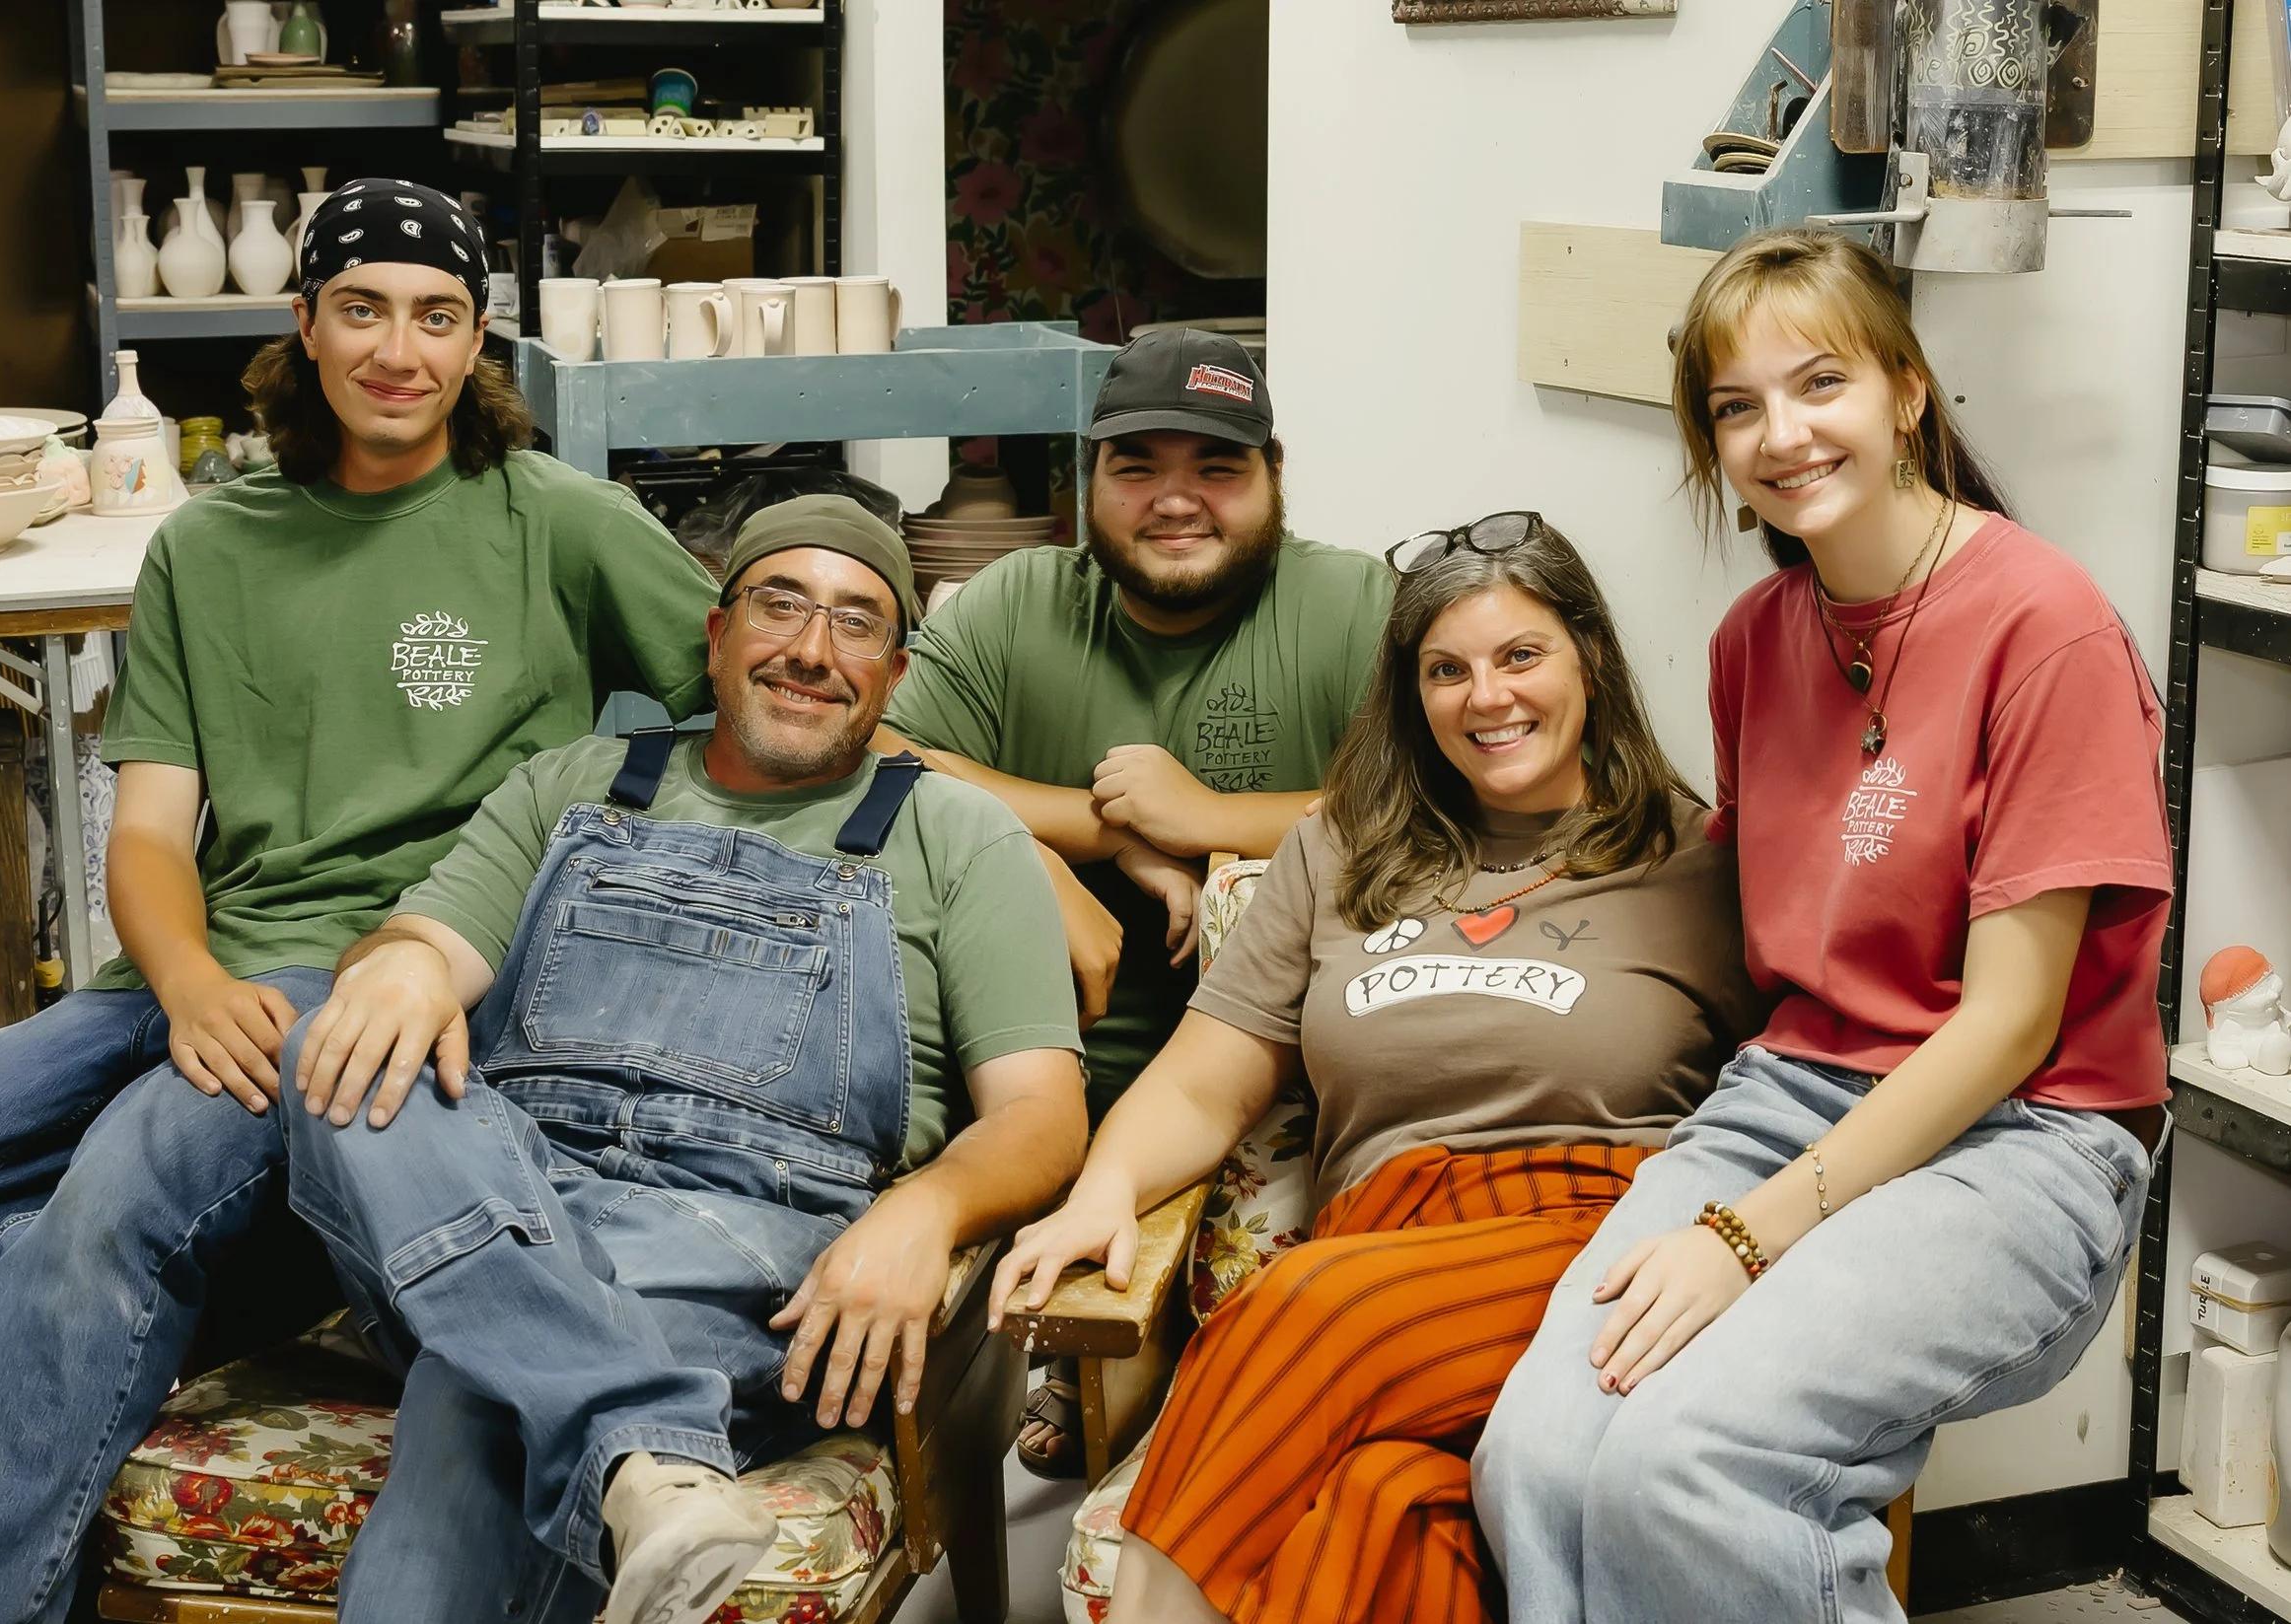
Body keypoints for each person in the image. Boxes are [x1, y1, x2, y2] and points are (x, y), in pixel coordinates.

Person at [0, 180, 721, 1624]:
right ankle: (66, 1442)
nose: (399, 348)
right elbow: (145, 833)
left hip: (386, 969)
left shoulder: (559, 519)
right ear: (302, 324)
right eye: (363, 308)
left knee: (97, 1214)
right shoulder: (212, 542)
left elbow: (761, 706)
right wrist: (184, 983)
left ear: (478, 340)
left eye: (436, 316)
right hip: (187, 976)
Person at [1472, 227, 2172, 1623]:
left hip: (2026, 1134)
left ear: (1907, 391)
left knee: (1693, 1463)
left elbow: (2013, 1020)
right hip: (1789, 1096)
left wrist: (1746, 1233)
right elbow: (1772, 910)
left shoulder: (2049, 625)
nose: (1780, 433)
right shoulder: (1754, 638)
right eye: (1736, 407)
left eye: (1820, 383)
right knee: (1537, 1456)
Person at [262, 496, 1087, 1623]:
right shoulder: (573, 784)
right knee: (335, 1023)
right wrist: (401, 959)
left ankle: (602, 1417)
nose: (810, 649)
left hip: (739, 1237)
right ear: (714, 633)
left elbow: (1042, 1114)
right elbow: (423, 958)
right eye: (779, 604)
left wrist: (926, 1211)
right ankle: (640, 1452)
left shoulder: (957, 835)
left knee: (480, 1389)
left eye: (854, 623)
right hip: (509, 1191)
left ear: (892, 677)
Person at [990, 515, 1765, 1623]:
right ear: (1411, 695)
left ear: (1588, 658)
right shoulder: (1341, 850)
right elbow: (1209, 1078)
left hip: (1594, 1247)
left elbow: (1811, 1083)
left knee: (1297, 1305)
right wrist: (1104, 1192)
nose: (1485, 697)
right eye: (1444, 670)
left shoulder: (1697, 858)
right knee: (1382, 1507)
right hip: (1380, 1247)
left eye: (1519, 656)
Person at [879, 325, 1393, 1472]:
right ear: (1086, 483)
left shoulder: (1351, 603)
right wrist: (1080, 834)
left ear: (1272, 478)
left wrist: (1207, 820)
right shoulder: (1018, 603)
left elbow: (1437, 806)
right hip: (1018, 1081)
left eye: (1216, 467)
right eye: (1137, 467)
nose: (1176, 501)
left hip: (1283, 1097)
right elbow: (879, 755)